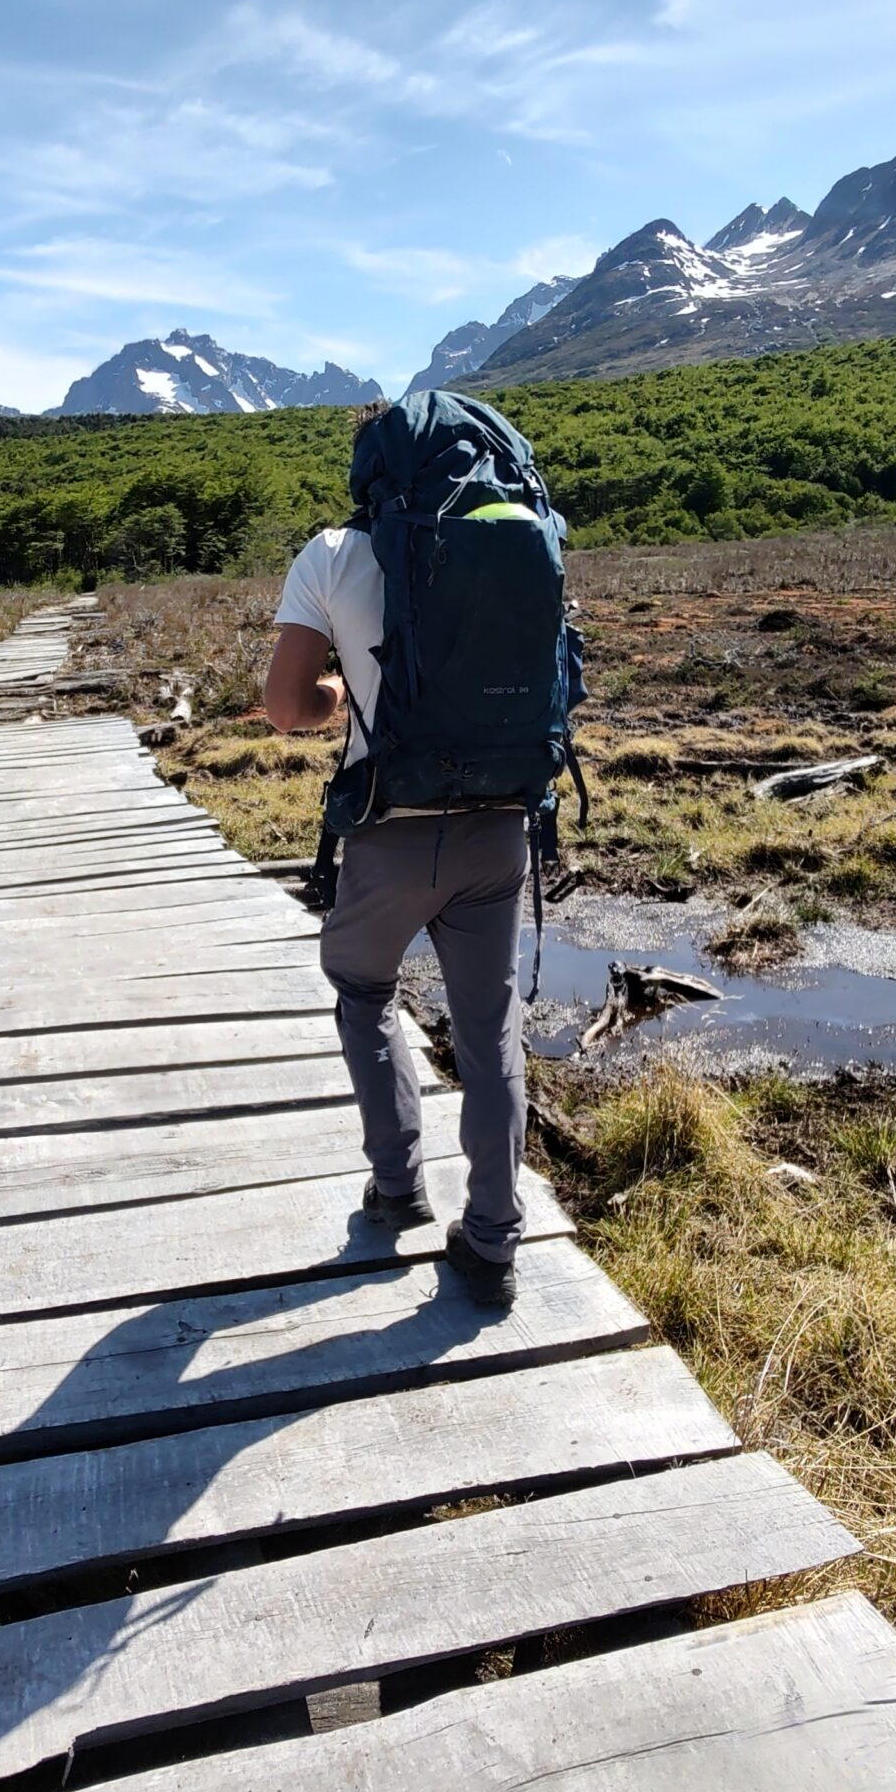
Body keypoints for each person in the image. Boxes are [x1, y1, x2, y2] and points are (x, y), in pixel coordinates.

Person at [263, 395, 579, 1310]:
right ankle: (492, 1241)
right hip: (501, 826)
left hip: (392, 832)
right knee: (488, 1031)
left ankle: (398, 1188)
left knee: (363, 990)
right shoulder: (528, 536)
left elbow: (288, 709)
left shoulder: (331, 554)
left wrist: (334, 693)